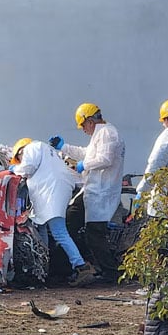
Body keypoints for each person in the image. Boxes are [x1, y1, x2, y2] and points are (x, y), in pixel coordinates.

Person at [49, 103, 125, 284]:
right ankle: (73, 267)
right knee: (74, 223)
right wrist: (64, 147)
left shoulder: (107, 133)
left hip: (101, 191)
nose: (83, 130)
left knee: (94, 233)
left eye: (83, 126)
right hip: (94, 190)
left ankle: (109, 273)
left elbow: (104, 159)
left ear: (90, 121)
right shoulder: (102, 134)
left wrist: (84, 165)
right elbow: (88, 153)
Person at [9, 138, 94, 286]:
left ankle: (81, 266)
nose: (21, 161)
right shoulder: (48, 152)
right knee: (41, 227)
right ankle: (43, 268)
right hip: (56, 190)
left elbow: (27, 168)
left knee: (59, 231)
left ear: (20, 151)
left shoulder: (31, 148)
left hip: (51, 193)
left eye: (19, 159)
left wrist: (14, 169)